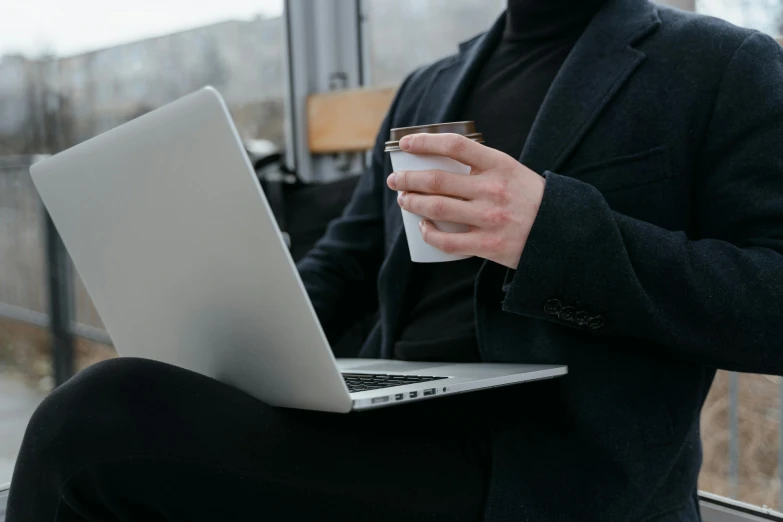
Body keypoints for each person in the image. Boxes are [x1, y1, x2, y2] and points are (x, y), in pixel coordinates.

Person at [8, 0, 783, 519]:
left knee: (95, 422)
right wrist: (235, 318)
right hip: (384, 416)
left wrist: (553, 232)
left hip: (549, 465)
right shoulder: (429, 85)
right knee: (125, 409)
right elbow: (345, 261)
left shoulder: (720, 65)